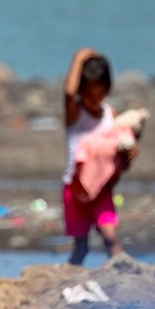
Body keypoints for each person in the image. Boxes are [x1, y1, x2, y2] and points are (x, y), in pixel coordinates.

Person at [63, 48, 135, 266]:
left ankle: (124, 277)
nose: (94, 100)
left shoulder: (110, 116)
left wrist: (129, 154)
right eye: (89, 94)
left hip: (102, 190)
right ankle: (69, 282)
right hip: (75, 190)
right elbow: (68, 93)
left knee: (111, 238)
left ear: (108, 89)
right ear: (82, 91)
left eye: (99, 93)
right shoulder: (75, 114)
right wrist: (78, 58)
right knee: (81, 247)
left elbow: (118, 157)